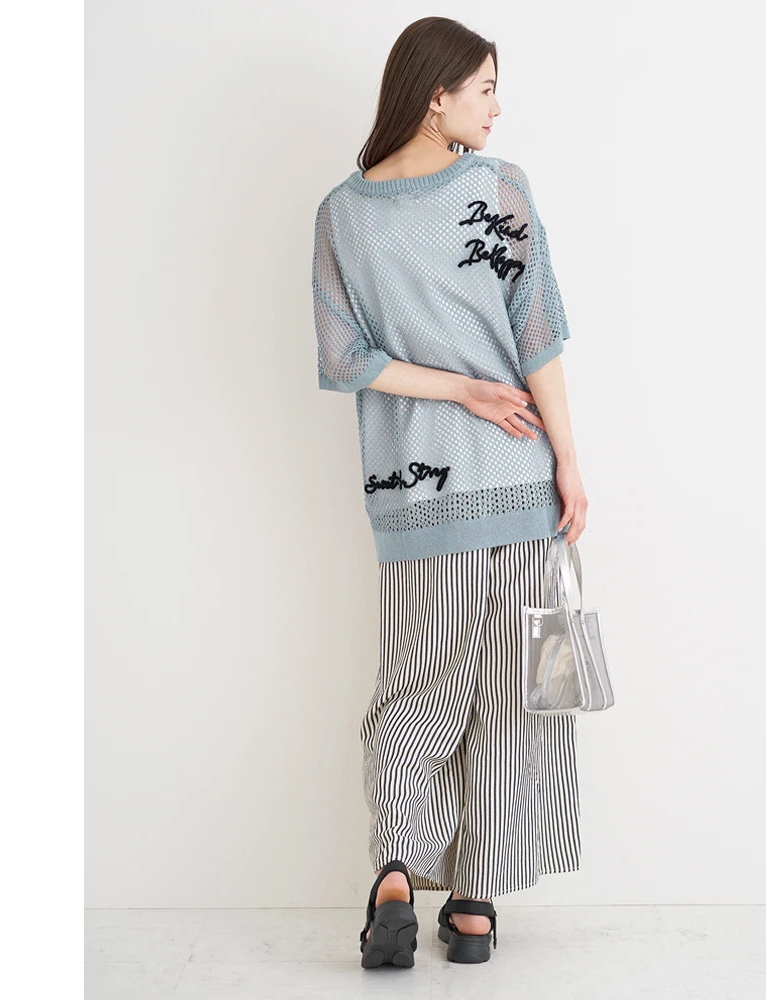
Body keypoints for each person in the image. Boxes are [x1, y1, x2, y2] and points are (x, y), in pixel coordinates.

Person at [310, 16, 588, 968]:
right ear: (438, 96)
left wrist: (450, 389)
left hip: (414, 497)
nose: (497, 108)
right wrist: (567, 460)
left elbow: (347, 360)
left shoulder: (341, 214)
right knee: (516, 693)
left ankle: (395, 873)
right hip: (516, 479)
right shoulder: (497, 188)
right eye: (485, 89)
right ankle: (473, 908)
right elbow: (537, 332)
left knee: (415, 688)